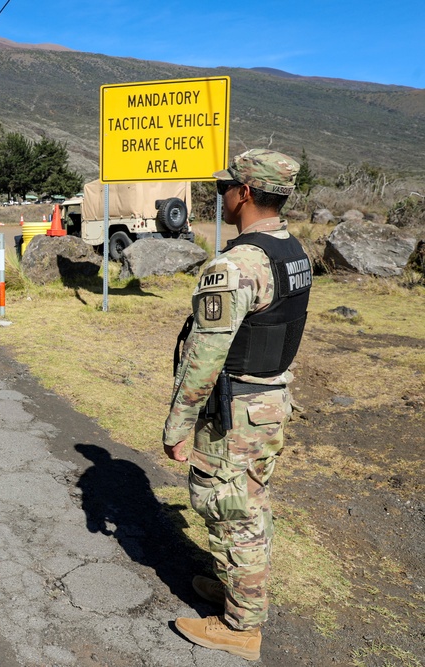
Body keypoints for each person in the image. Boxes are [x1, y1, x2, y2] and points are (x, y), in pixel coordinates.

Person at [163, 149, 312, 661]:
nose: (220, 194)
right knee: (250, 499)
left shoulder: (236, 264)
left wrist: (177, 424)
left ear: (245, 193)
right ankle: (237, 587)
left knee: (230, 508)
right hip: (270, 402)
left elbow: (204, 358)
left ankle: (242, 626)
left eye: (227, 186)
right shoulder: (293, 251)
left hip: (238, 410)